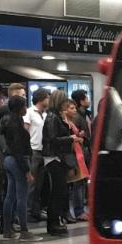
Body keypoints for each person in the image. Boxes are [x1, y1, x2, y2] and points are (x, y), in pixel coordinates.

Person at [41, 97, 79, 236]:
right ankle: (53, 223)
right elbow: (53, 138)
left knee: (60, 190)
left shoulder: (57, 117)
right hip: (53, 157)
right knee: (58, 190)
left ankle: (55, 221)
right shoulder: (52, 117)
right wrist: (71, 138)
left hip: (58, 156)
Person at [0, 95, 33, 240]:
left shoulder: (5, 121)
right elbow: (19, 148)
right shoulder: (16, 123)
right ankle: (24, 230)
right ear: (20, 108)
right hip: (18, 160)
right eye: (24, 105)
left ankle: (7, 230)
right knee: (22, 196)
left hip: (7, 160)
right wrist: (27, 170)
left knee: (10, 196)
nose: (26, 108)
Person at [64, 98, 91, 220]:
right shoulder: (65, 123)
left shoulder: (73, 122)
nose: (74, 110)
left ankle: (79, 210)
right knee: (73, 184)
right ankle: (75, 211)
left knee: (79, 182)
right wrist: (76, 138)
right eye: (71, 108)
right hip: (70, 155)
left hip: (78, 153)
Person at [27, 89, 50, 222]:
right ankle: (28, 211)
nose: (49, 100)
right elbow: (26, 130)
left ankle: (36, 210)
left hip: (44, 151)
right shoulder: (29, 113)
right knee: (32, 183)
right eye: (47, 98)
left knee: (40, 183)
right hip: (33, 150)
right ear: (41, 99)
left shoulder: (45, 114)